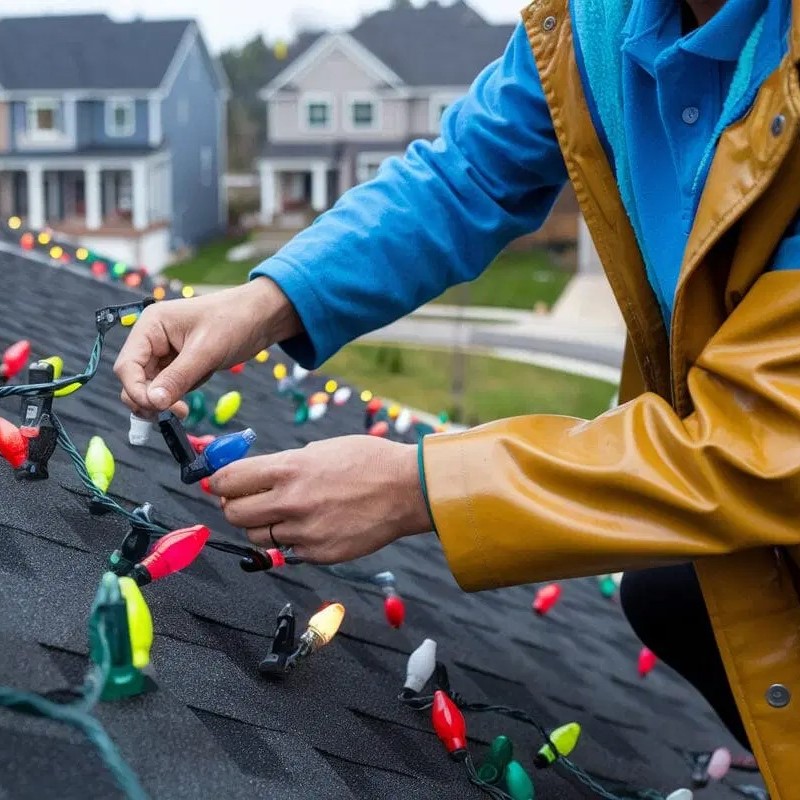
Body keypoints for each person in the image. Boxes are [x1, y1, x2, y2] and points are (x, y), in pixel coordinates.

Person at [115, 0, 800, 793]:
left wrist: (419, 485)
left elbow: (765, 437)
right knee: (674, 594)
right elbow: (466, 174)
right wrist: (264, 302)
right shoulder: (599, 22)